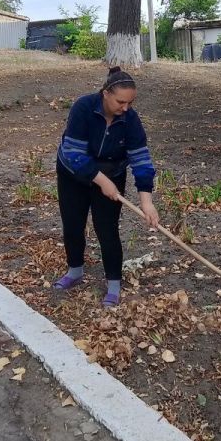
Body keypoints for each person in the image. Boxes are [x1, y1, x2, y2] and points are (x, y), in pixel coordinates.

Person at [54, 66, 159, 307]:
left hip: (113, 171)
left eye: (130, 103)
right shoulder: (83, 107)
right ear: (105, 93)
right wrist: (101, 181)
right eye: (121, 102)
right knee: (73, 224)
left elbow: (141, 159)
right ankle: (75, 270)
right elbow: (73, 153)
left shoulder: (130, 119)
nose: (126, 108)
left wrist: (146, 202)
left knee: (107, 229)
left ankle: (113, 284)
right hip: (74, 173)